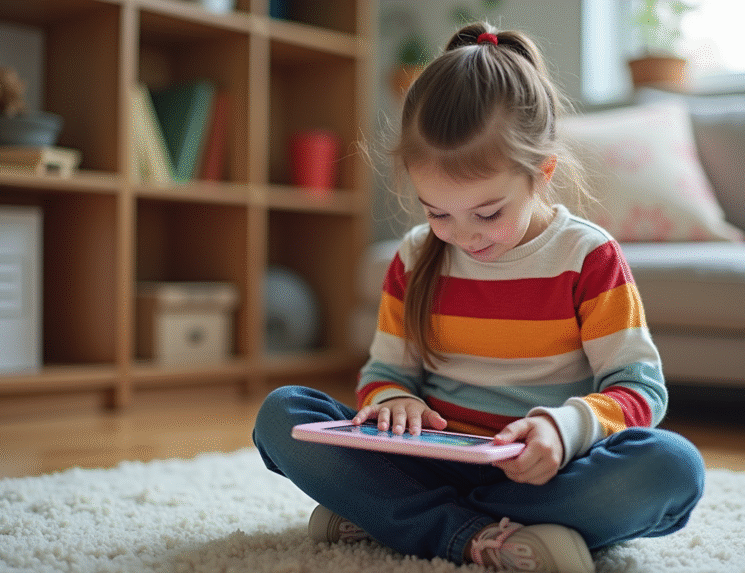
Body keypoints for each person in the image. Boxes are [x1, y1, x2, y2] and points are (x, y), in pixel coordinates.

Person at [254, 22, 705, 573]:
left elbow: (638, 390)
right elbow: (385, 373)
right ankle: (474, 533)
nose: (464, 235)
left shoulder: (589, 257)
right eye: (437, 211)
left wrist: (563, 431)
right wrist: (393, 401)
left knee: (672, 467)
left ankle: (393, 518)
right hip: (433, 463)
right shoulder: (415, 257)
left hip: (543, 472)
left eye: (488, 213)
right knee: (283, 414)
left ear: (543, 173)